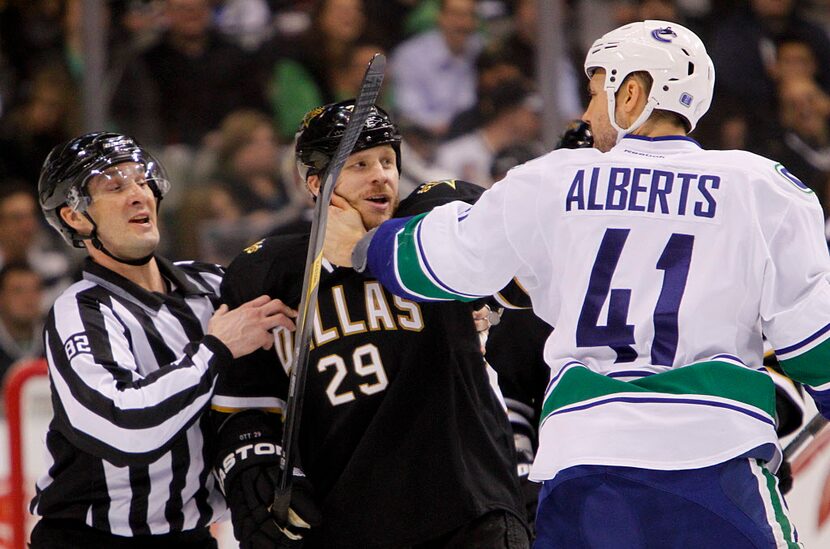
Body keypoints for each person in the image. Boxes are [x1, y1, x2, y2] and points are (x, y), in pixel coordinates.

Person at [326, 20, 830, 547]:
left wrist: (363, 246)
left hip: (586, 467)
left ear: (631, 93)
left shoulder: (553, 179)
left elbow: (440, 263)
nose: (588, 113)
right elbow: (816, 344)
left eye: (596, 93)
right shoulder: (762, 187)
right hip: (715, 458)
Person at [212, 100, 528, 548]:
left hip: (469, 514)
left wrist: (371, 245)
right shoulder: (269, 274)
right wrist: (256, 478)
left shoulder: (430, 234)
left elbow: (508, 250)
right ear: (316, 184)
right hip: (350, 521)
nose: (381, 175)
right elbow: (245, 409)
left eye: (387, 161)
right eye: (359, 164)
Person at [29, 131, 293, 548]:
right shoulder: (82, 310)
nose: (139, 194)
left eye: (142, 180)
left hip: (192, 536)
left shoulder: (213, 285)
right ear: (75, 217)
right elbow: (121, 426)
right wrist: (215, 350)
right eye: (115, 186)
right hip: (90, 539)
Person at [0, 261, 44, 382]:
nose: (28, 299)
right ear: (1, 297)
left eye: (35, 290)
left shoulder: (55, 341)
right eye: (18, 291)